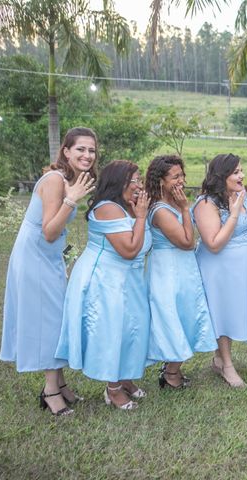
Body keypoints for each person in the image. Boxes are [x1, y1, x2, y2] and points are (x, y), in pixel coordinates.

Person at [0, 126, 97, 416]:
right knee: (50, 321)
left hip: (49, 257)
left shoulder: (69, 179)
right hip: (34, 257)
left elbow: (59, 235)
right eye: (80, 149)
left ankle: (62, 384)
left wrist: (68, 261)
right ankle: (50, 391)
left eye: (91, 150)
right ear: (66, 151)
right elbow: (50, 231)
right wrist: (72, 199)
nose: (87, 155)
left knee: (58, 317)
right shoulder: (56, 180)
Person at [56, 160, 152, 410]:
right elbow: (130, 250)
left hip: (127, 278)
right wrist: (141, 216)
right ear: (120, 182)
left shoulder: (124, 206)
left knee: (132, 327)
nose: (139, 185)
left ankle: (125, 378)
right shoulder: (108, 208)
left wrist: (137, 213)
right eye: (135, 180)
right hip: (103, 278)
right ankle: (113, 389)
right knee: (113, 330)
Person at [144, 155, 217, 389]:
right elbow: (186, 241)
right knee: (172, 317)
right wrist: (186, 208)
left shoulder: (174, 202)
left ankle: (172, 368)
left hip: (183, 267)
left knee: (185, 314)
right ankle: (170, 373)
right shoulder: (160, 210)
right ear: (161, 181)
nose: (181, 180)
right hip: (168, 269)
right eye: (175, 177)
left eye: (182, 175)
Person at [193, 154, 247, 388]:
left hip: (242, 266)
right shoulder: (206, 203)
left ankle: (219, 359)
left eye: (241, 171)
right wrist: (233, 214)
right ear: (221, 176)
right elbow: (213, 244)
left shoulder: (240, 194)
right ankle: (226, 364)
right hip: (219, 266)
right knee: (223, 313)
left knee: (233, 311)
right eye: (235, 172)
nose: (242, 176)